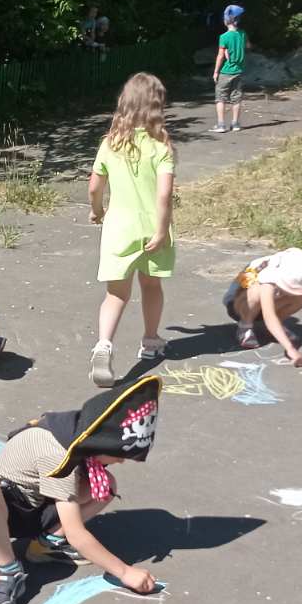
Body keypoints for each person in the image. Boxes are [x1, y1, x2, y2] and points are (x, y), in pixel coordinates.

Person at [0, 375, 162, 604]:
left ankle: (46, 544)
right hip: (5, 513)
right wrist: (124, 572)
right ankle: (8, 571)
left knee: (105, 485)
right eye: (119, 455)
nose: (121, 462)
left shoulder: (74, 429)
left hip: (37, 499)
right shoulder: (58, 457)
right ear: (102, 444)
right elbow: (77, 534)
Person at [88, 72, 176, 387]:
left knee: (116, 294)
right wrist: (161, 230)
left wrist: (97, 210)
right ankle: (150, 341)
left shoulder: (110, 144)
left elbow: (95, 187)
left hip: (119, 228)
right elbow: (164, 194)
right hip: (152, 228)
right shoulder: (161, 145)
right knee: (151, 286)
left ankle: (104, 345)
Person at [222, 246, 302, 366]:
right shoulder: (268, 276)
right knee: (257, 291)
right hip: (238, 305)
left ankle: (274, 328)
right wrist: (290, 349)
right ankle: (245, 325)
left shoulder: (296, 269)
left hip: (263, 307)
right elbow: (269, 316)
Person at [210, 4, 247, 133]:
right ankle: (235, 124)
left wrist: (216, 72)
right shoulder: (242, 34)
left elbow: (220, 56)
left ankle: (221, 125)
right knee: (236, 98)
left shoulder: (224, 37)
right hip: (239, 71)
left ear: (227, 20)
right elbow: (247, 46)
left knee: (220, 98)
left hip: (226, 72)